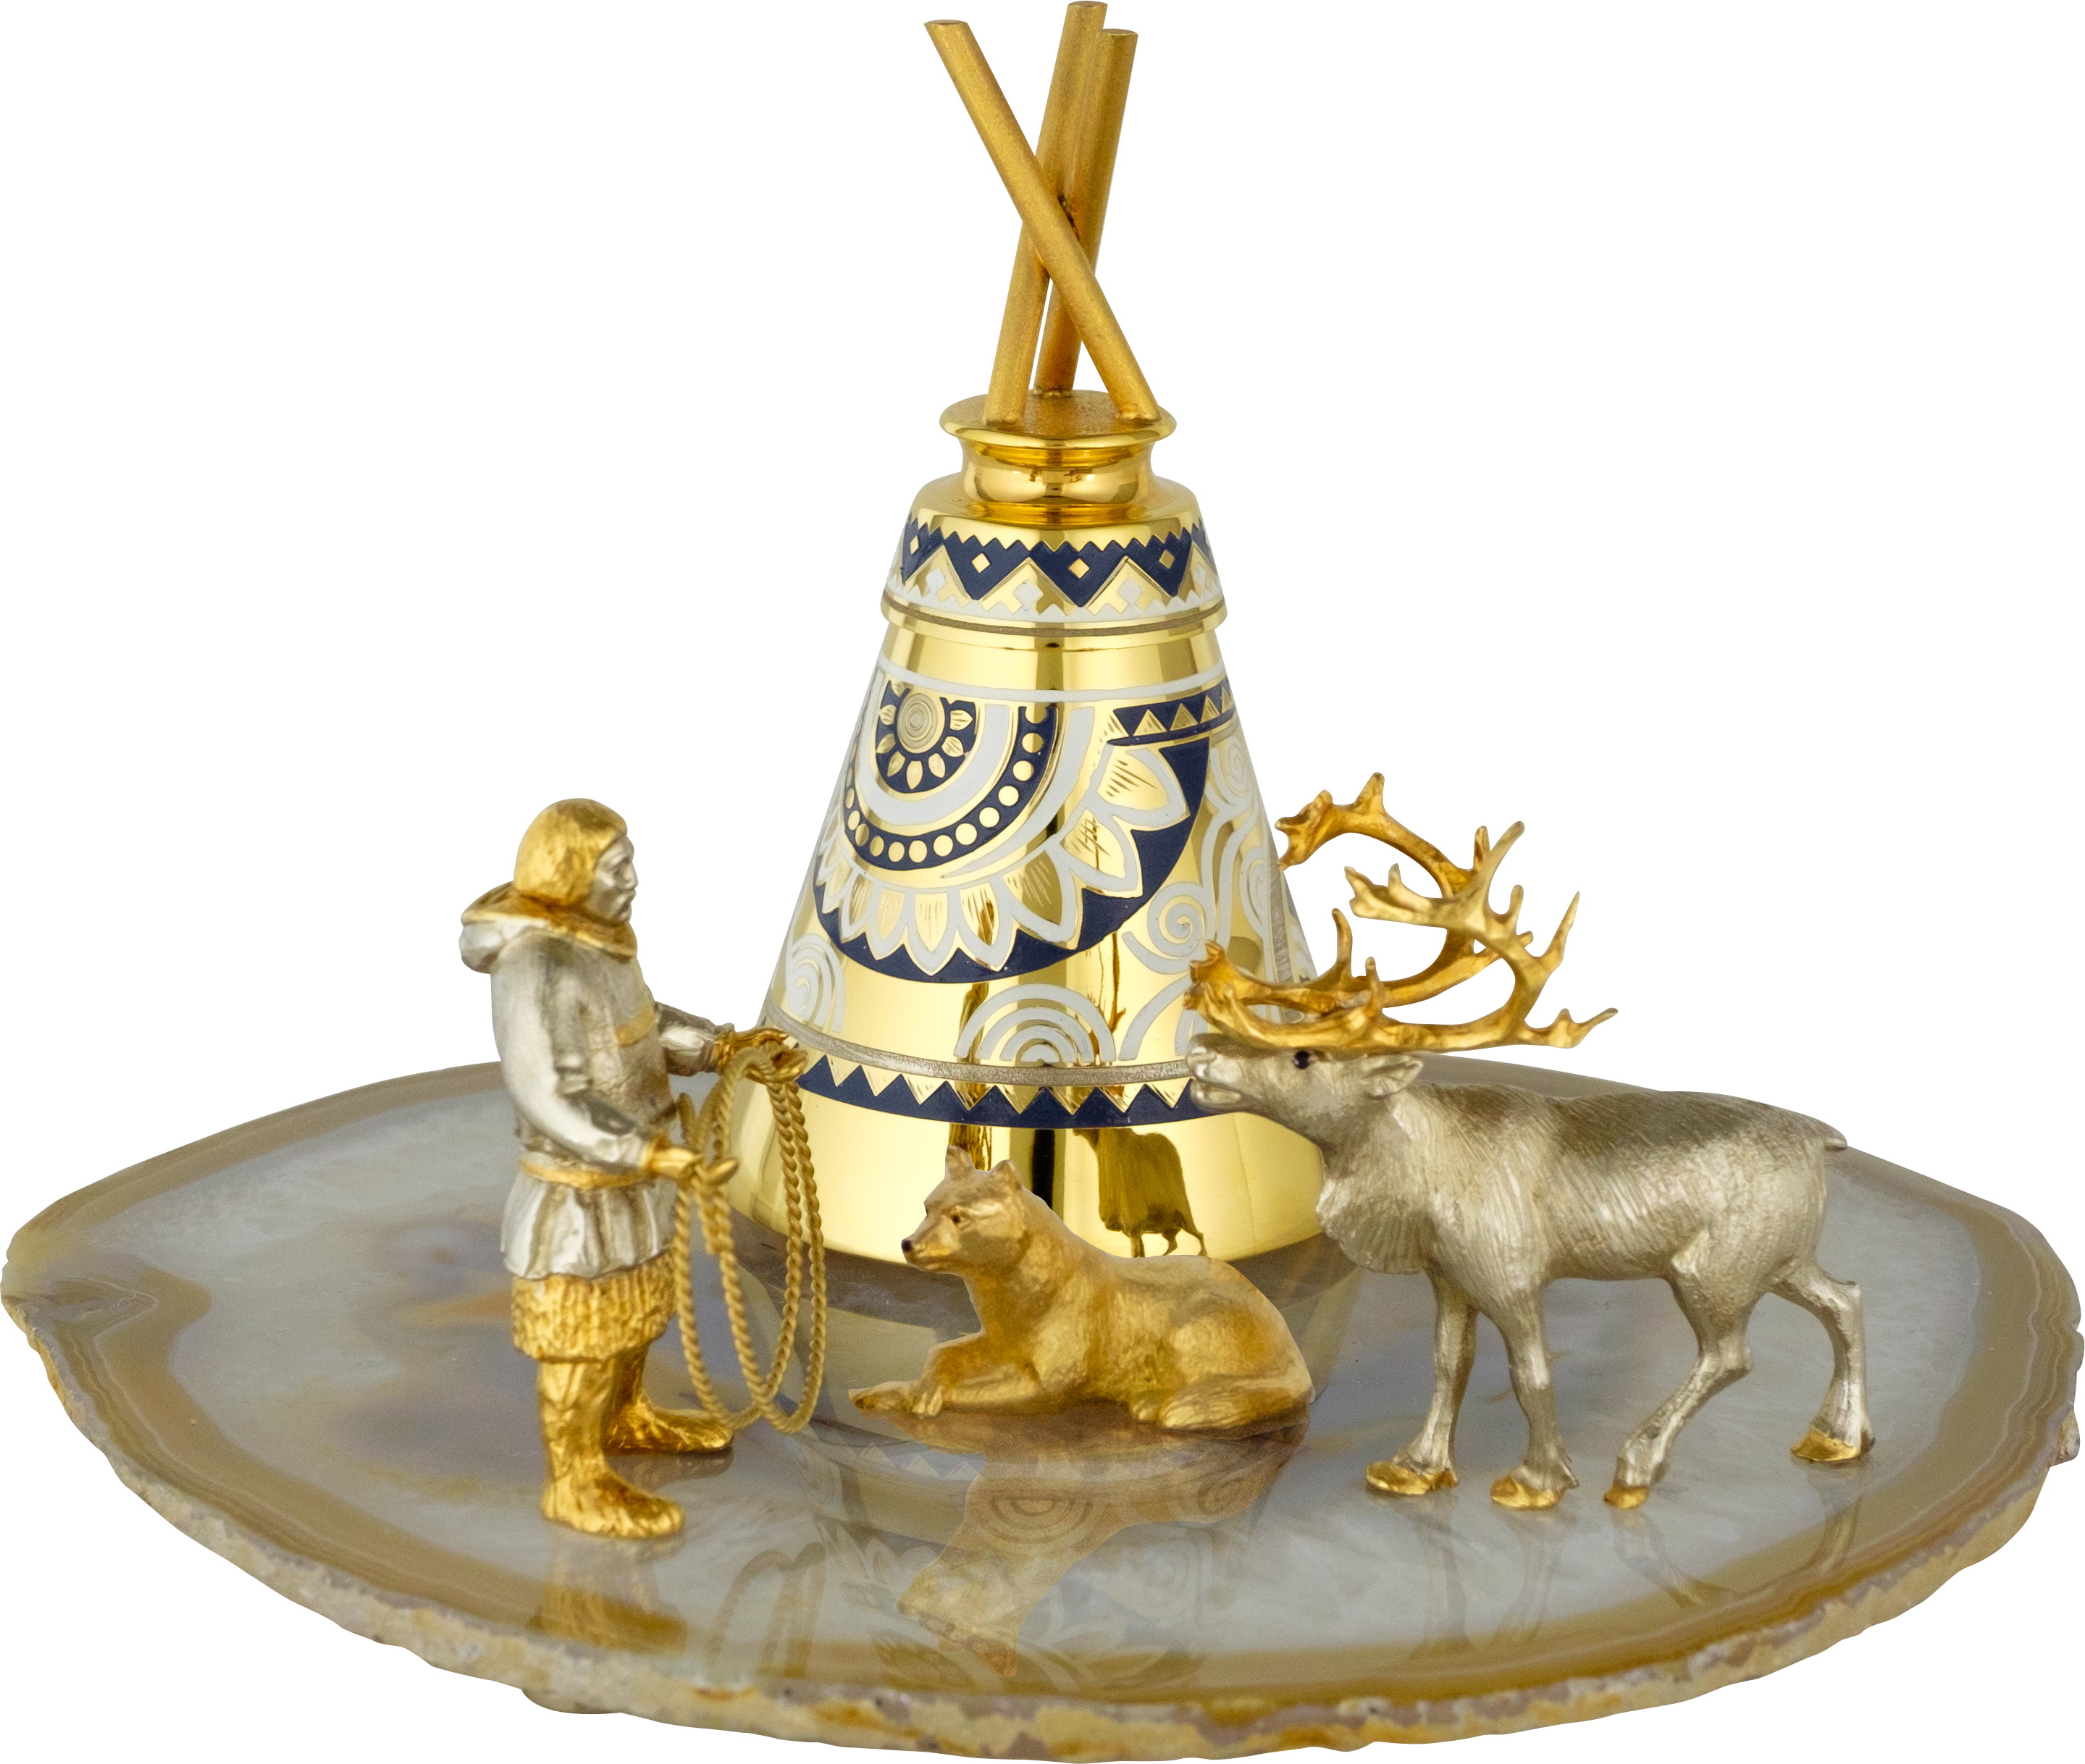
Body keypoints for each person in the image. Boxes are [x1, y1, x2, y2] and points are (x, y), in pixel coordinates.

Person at [461, 798, 730, 1538]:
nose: (631, 879)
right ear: (570, 873)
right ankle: (573, 1481)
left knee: (632, 1313)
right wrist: (645, 1150)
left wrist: (717, 1046)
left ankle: (626, 1418)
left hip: (631, 1180)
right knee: (580, 1333)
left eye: (629, 861)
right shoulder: (535, 964)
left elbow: (639, 1025)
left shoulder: (600, 943)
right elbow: (547, 1092)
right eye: (615, 867)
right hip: (577, 1194)